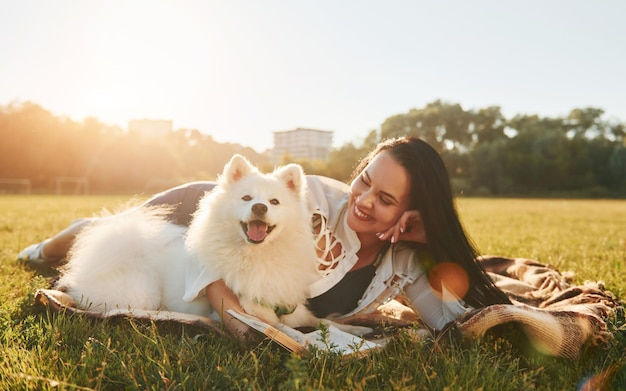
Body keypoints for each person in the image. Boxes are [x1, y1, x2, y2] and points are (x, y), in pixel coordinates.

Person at [18, 137, 511, 337]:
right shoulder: (311, 200)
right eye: (364, 180)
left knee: (114, 241)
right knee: (104, 234)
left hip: (253, 219)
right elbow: (213, 250)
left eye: (386, 200)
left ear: (412, 211)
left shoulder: (404, 261)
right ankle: (52, 245)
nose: (363, 201)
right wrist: (230, 311)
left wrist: (428, 244)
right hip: (212, 208)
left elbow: (453, 320)